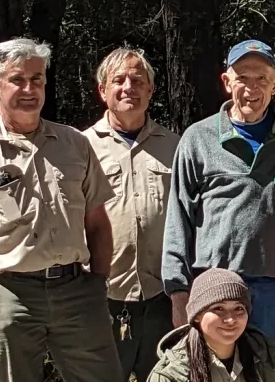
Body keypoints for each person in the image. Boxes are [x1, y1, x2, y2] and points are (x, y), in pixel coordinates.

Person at [0, 38, 121, 382]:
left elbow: (97, 221)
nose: (29, 89)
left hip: (77, 291)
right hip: (10, 295)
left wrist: (98, 282)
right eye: (18, 79)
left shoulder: (75, 144)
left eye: (37, 79)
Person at [162, 39, 275, 353]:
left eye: (261, 79)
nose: (252, 88)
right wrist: (178, 292)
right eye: (242, 78)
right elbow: (178, 219)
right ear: (227, 82)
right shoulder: (198, 138)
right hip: (215, 289)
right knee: (214, 372)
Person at [82, 47, 182, 382]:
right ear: (102, 91)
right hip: (101, 299)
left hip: (162, 299)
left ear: (151, 91)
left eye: (138, 80)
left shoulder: (176, 147)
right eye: (119, 80)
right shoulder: (80, 148)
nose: (129, 87)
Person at [146, 268, 275, 382]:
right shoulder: (170, 374)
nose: (230, 319)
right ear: (196, 316)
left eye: (239, 309)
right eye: (218, 309)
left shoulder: (268, 361)